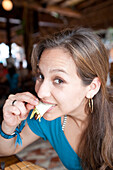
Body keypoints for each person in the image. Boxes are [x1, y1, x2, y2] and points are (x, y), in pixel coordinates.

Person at [0, 27, 113, 170]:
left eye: (58, 80)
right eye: (40, 76)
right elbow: (6, 150)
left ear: (92, 87)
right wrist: (8, 126)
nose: (41, 92)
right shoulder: (49, 118)